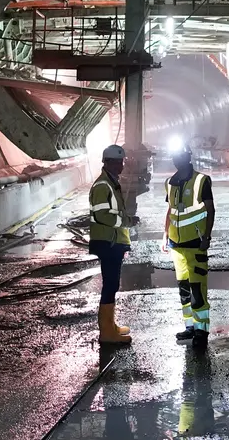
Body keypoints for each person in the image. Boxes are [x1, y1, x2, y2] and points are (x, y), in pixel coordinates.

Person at [163, 146, 215, 349]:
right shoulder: (170, 183)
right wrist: (165, 235)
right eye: (175, 156)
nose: (177, 160)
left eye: (180, 157)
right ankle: (190, 327)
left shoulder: (201, 181)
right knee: (184, 288)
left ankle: (202, 330)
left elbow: (210, 210)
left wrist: (207, 237)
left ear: (187, 158)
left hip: (195, 243)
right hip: (177, 244)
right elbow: (170, 210)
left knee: (197, 289)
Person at [90, 144, 138, 345]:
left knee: (112, 284)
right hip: (107, 241)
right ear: (107, 162)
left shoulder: (111, 182)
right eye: (118, 162)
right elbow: (102, 215)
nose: (121, 165)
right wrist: (126, 221)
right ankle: (107, 332)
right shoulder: (103, 185)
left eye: (122, 161)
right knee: (110, 285)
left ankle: (110, 325)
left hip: (113, 241)